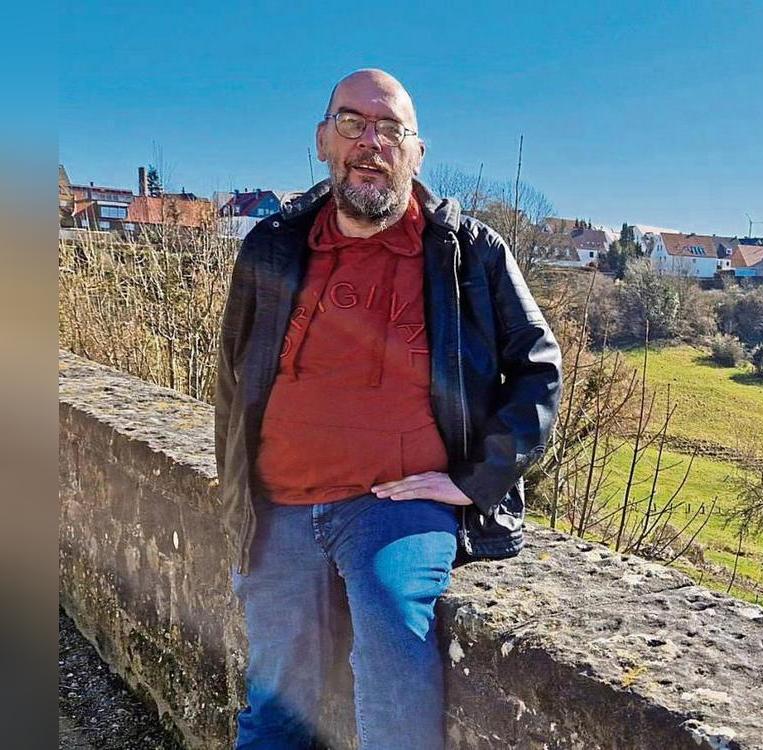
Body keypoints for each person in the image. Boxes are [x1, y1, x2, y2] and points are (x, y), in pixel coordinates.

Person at [213, 68, 562, 749]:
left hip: (395, 507)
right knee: (275, 706)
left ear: (417, 153)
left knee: (393, 677)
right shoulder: (272, 246)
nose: (371, 143)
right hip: (277, 504)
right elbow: (233, 378)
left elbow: (539, 369)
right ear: (322, 140)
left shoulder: (470, 253)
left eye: (391, 129)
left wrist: (474, 482)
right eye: (352, 123)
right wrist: (238, 493)